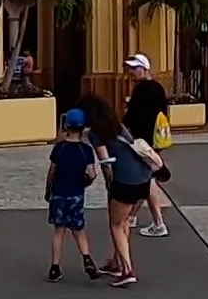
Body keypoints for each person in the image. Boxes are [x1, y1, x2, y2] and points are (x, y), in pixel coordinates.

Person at [102, 102, 164, 288]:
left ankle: (127, 269)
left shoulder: (97, 134)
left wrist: (109, 187)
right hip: (143, 179)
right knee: (125, 221)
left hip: (125, 182)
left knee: (116, 224)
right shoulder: (121, 129)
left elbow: (105, 164)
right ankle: (116, 262)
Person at [45, 108, 100, 282]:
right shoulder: (86, 150)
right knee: (78, 229)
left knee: (58, 231)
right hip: (76, 194)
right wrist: (86, 182)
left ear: (66, 125)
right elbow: (92, 174)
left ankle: (54, 267)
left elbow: (52, 171)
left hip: (59, 194)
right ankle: (87, 258)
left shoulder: (59, 149)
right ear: (84, 128)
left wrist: (48, 190)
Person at [123, 54, 172, 238]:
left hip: (143, 140)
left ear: (144, 69)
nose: (132, 72)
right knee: (146, 176)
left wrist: (118, 128)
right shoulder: (158, 88)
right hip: (155, 139)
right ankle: (133, 216)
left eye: (135, 68)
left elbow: (132, 115)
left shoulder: (141, 89)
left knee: (147, 179)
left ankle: (158, 223)